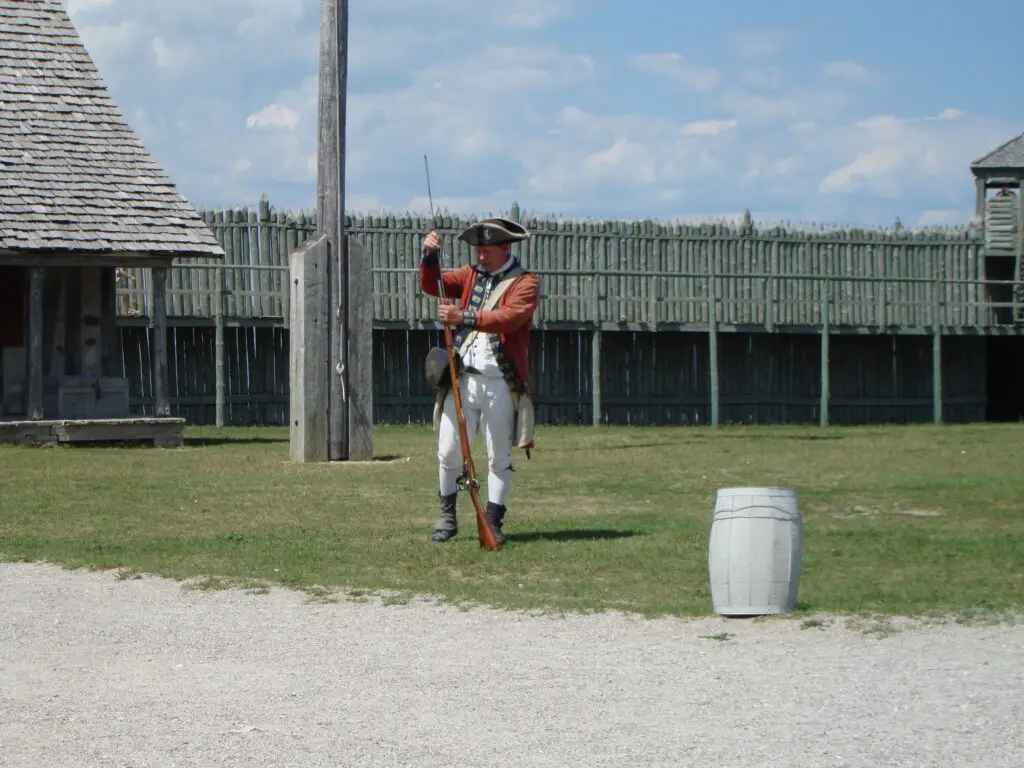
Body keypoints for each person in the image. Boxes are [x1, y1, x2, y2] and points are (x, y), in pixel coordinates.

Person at [419, 217, 540, 544]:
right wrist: (429, 256)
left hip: (500, 383)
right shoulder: (470, 275)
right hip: (462, 382)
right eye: (478, 250)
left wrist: (465, 316)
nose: (481, 256)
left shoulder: (525, 283)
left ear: (505, 248)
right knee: (448, 453)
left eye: (487, 250)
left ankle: (493, 518)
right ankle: (448, 514)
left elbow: (510, 318)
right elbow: (434, 286)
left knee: (498, 456)